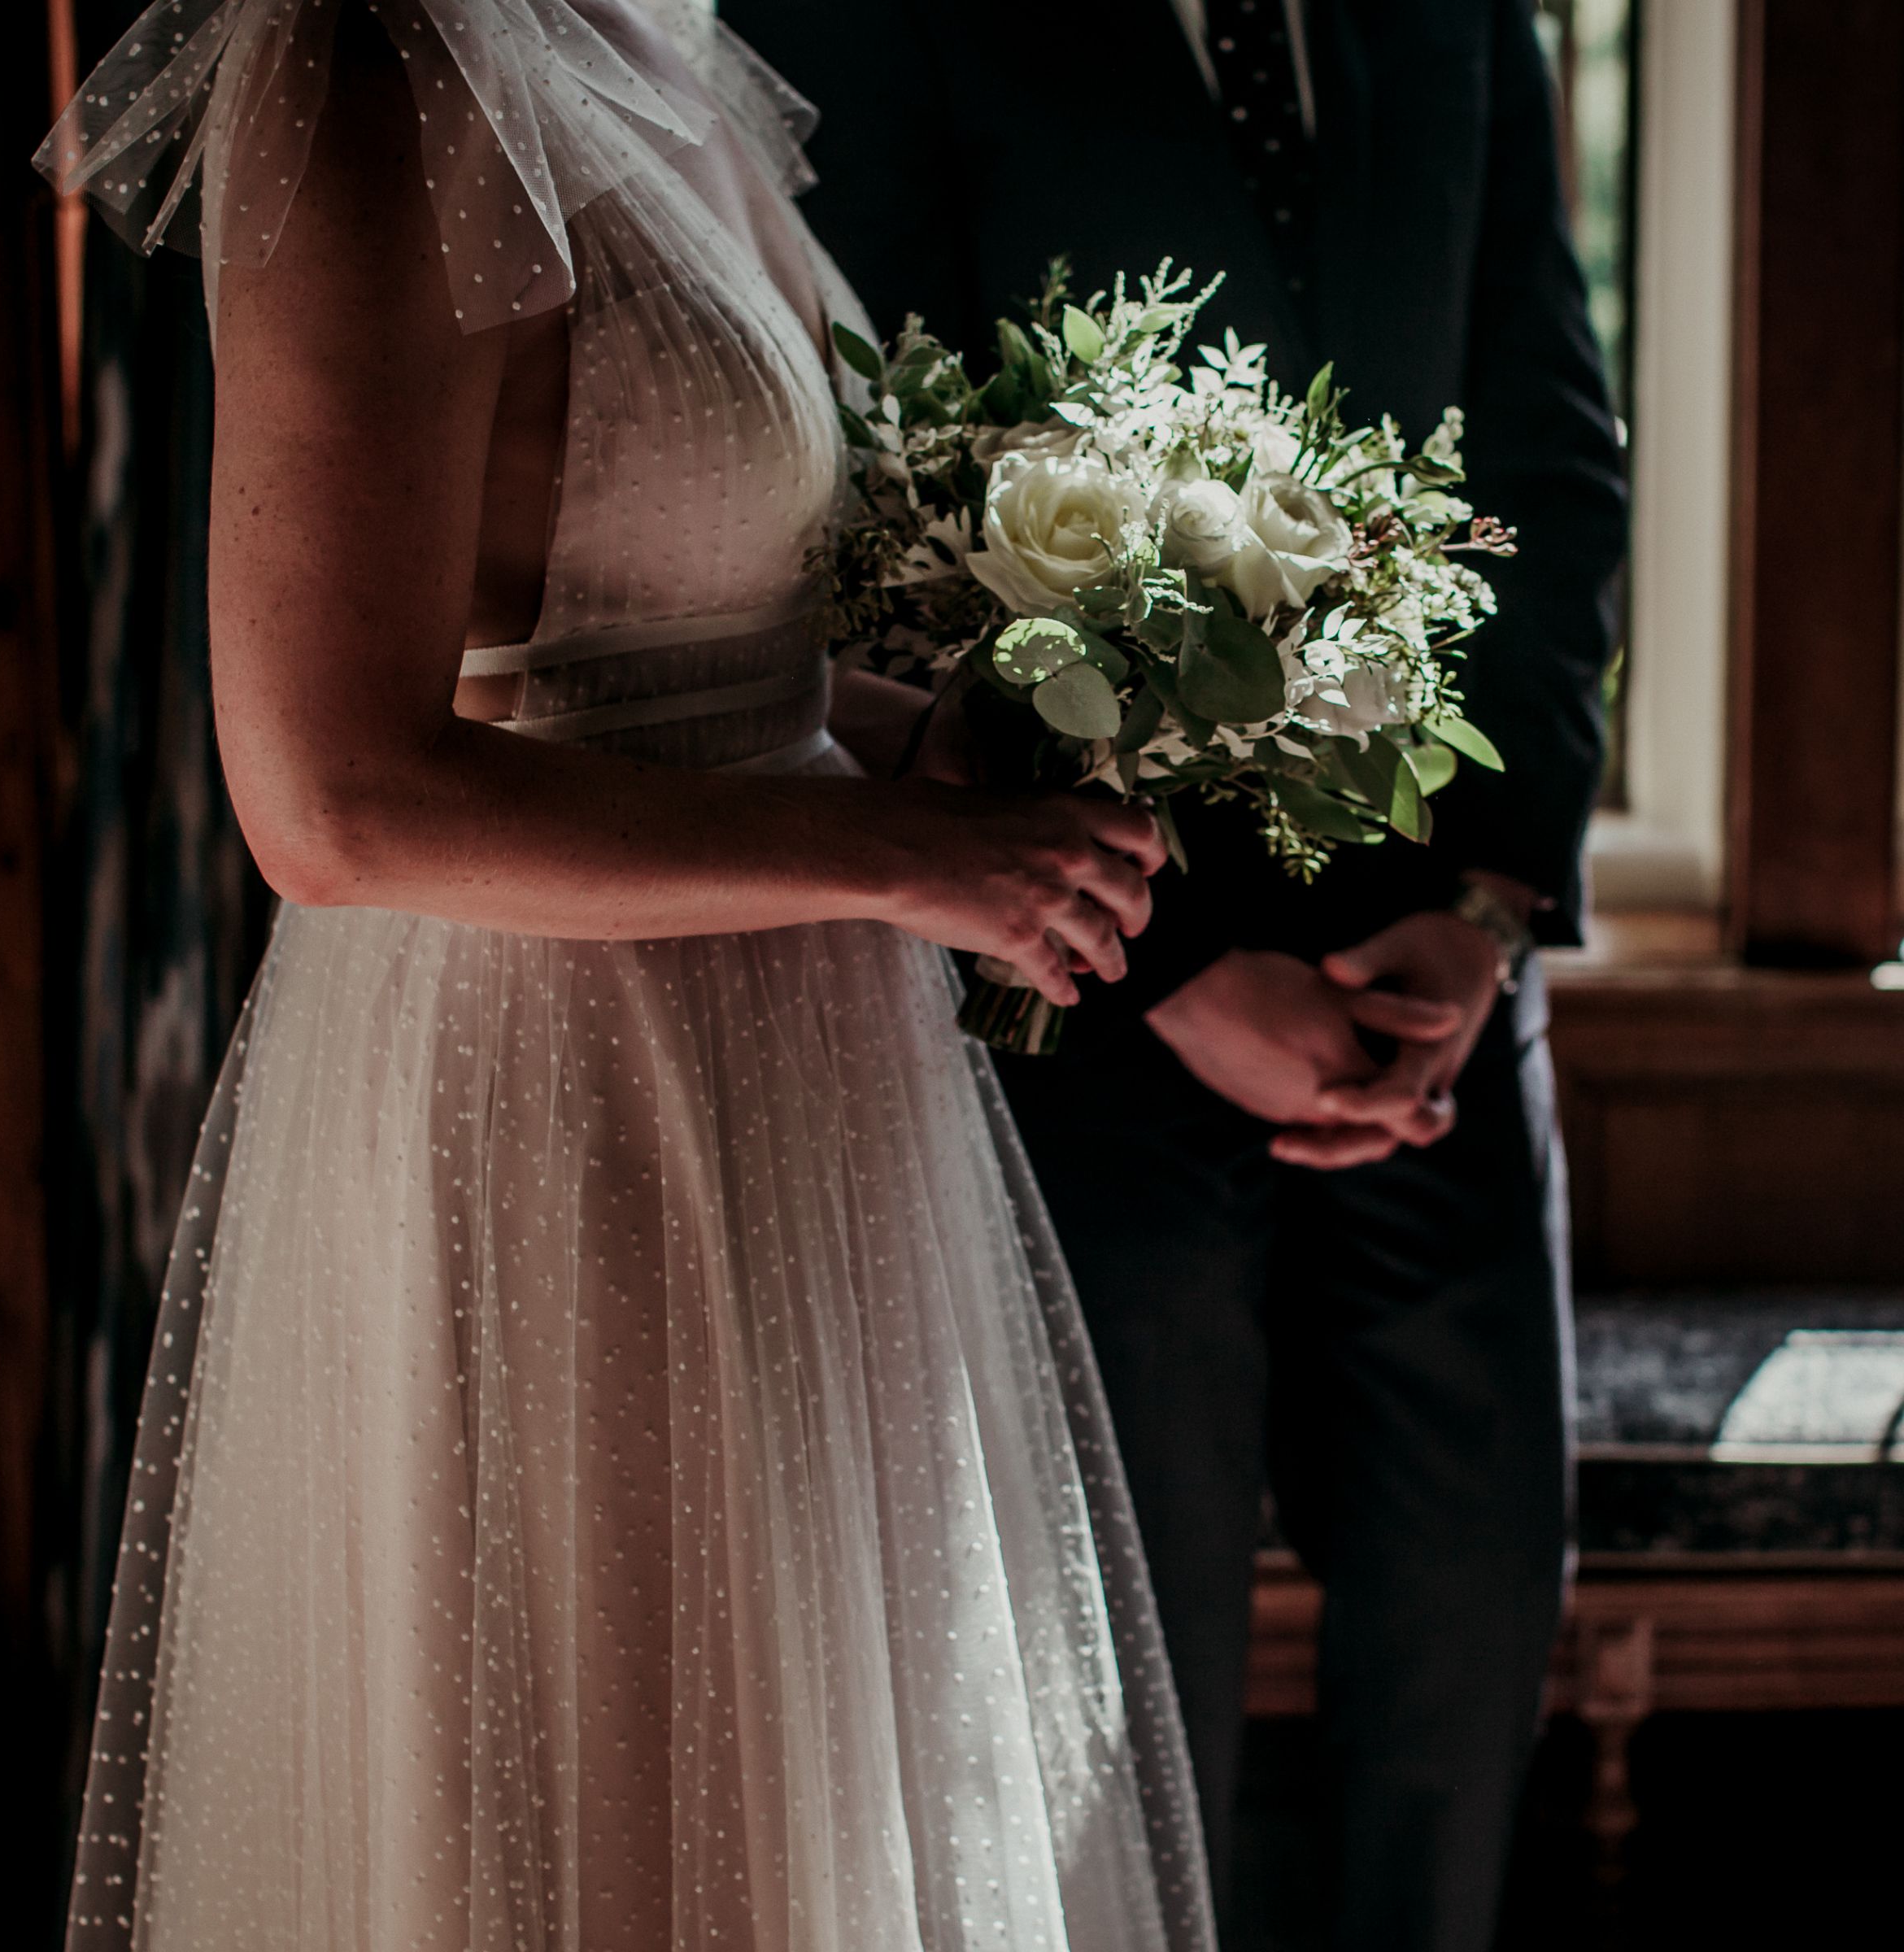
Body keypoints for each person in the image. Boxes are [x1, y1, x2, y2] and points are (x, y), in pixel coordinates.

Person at [38, 4, 1221, 1948]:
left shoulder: (653, 34)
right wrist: (896, 857)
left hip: (804, 1092)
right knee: (615, 1828)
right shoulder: (378, 64)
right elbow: (330, 796)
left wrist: (909, 741)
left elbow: (664, 645)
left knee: (802, 1814)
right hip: (568, 1101)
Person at [721, 2, 1627, 1946]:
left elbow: (1549, 451)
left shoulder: (1465, 23)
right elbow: (877, 498)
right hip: (1084, 987)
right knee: (1113, 1729)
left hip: (1433, 989)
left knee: (1464, 1679)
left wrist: (1485, 911)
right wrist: (1173, 961)